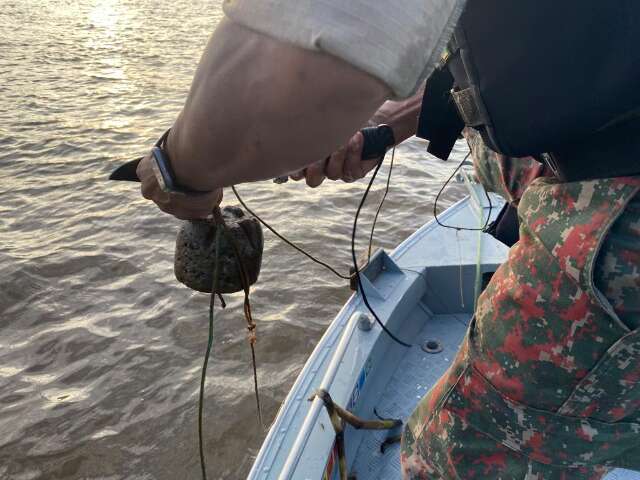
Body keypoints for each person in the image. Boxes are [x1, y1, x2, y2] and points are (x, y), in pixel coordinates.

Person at [133, 2, 640, 478]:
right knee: (488, 152)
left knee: (459, 454)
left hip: (622, 202)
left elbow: (292, 64)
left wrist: (179, 170)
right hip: (592, 144)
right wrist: (387, 124)